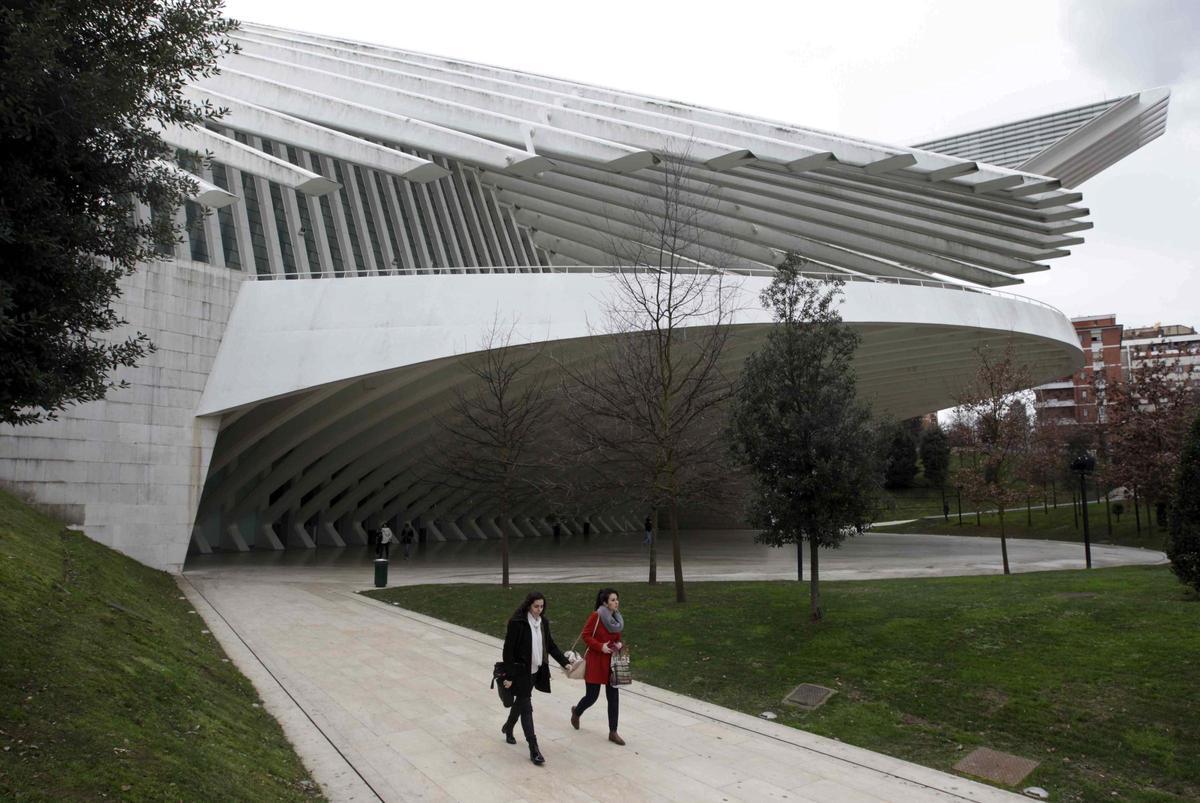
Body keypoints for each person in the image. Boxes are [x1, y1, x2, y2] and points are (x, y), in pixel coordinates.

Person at [501, 591, 570, 765]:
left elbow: (551, 646)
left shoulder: (543, 623)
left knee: (521, 702)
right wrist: (509, 676)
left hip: (535, 672)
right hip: (520, 673)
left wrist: (566, 663)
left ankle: (508, 727)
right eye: (536, 606)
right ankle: (534, 748)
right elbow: (508, 652)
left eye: (542, 606)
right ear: (528, 605)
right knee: (526, 707)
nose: (539, 610)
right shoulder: (518, 623)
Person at [570, 588, 625, 746]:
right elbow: (586, 635)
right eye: (613, 600)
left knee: (613, 697)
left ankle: (613, 732)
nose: (616, 602)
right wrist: (600, 646)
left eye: (617, 599)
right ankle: (577, 711)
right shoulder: (597, 616)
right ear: (605, 603)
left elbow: (617, 636)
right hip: (596, 661)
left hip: (612, 662)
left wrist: (618, 644)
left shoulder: (617, 618)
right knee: (592, 696)